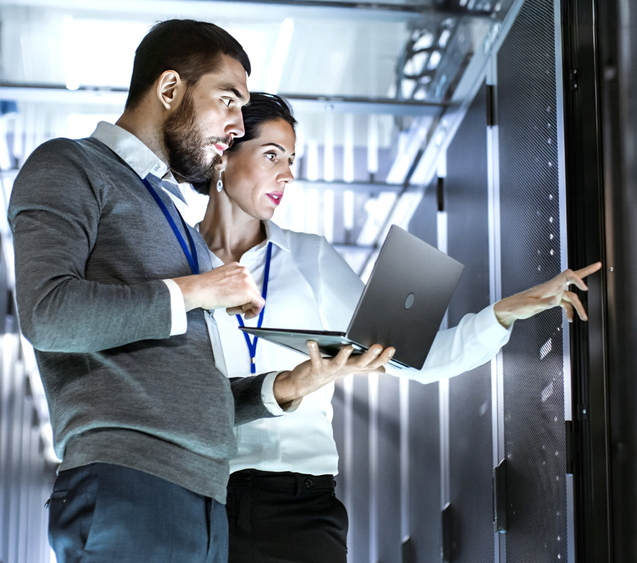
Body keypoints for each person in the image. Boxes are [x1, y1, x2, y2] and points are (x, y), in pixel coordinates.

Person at [8, 21, 391, 563]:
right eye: (228, 101)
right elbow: (49, 315)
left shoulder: (171, 217)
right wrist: (196, 290)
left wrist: (289, 385)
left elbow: (192, 393)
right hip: (129, 482)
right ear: (170, 90)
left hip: (205, 497)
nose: (236, 125)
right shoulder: (70, 165)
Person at [195, 92, 602, 562]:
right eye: (272, 156)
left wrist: (504, 312)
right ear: (224, 153)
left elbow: (415, 361)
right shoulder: (175, 262)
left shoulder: (312, 257)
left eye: (291, 160)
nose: (288, 174)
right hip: (198, 494)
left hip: (299, 506)